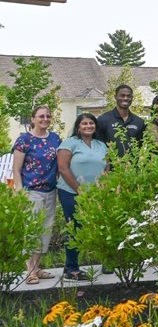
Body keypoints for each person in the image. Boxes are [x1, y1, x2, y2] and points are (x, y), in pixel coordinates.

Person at [12, 106, 61, 285]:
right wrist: (19, 190)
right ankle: (30, 270)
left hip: (50, 190)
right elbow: (16, 169)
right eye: (41, 116)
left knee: (46, 230)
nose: (45, 119)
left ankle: (37, 267)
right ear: (33, 119)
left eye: (48, 116)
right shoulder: (24, 140)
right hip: (31, 191)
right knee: (32, 230)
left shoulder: (55, 138)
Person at [56, 113, 108, 281]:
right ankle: (71, 268)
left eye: (91, 123)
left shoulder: (101, 145)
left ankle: (108, 261)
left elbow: (107, 167)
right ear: (78, 127)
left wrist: (102, 187)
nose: (88, 126)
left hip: (95, 193)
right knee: (75, 228)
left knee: (100, 226)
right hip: (71, 192)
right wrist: (79, 190)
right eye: (84, 123)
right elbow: (63, 168)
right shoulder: (69, 143)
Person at [96, 84, 146, 156]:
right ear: (115, 97)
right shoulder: (103, 120)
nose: (125, 98)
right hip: (110, 165)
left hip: (133, 165)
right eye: (122, 95)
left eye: (129, 96)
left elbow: (140, 146)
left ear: (132, 98)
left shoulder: (139, 122)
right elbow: (98, 145)